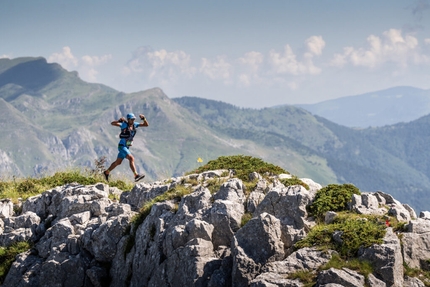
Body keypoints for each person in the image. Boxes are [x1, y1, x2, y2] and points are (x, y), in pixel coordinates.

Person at [104, 113, 149, 182]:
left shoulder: (135, 125)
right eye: (131, 119)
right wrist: (119, 121)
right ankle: (136, 175)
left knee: (118, 162)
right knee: (131, 158)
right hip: (122, 146)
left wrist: (143, 119)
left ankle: (106, 172)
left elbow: (146, 125)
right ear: (128, 120)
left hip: (127, 147)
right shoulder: (124, 125)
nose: (133, 121)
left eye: (134, 119)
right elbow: (112, 123)